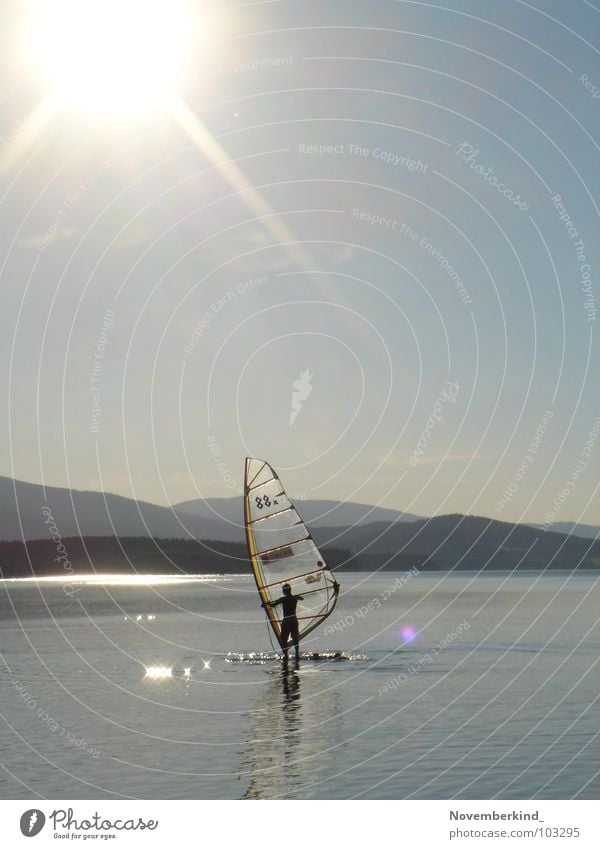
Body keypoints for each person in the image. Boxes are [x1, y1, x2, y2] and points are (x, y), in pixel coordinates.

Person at [265, 583, 304, 659]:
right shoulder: (294, 598)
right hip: (294, 620)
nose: (283, 592)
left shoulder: (283, 599)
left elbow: (273, 605)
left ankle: (286, 655)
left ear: (285, 591)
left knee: (284, 639)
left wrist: (267, 603)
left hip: (286, 621)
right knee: (295, 638)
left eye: (283, 590)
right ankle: (296, 654)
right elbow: (302, 598)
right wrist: (297, 596)